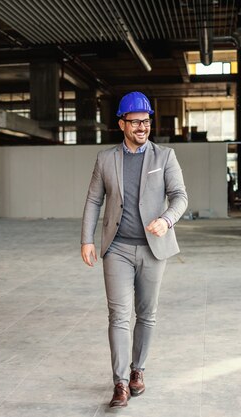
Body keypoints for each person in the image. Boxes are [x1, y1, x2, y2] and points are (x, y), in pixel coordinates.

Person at [80, 91, 188, 408]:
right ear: (122, 123)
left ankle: (138, 369)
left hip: (154, 250)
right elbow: (93, 201)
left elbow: (180, 196)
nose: (142, 126)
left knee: (147, 314)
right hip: (117, 249)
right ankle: (120, 382)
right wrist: (87, 239)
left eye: (146, 120)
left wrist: (167, 220)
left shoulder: (164, 157)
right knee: (118, 316)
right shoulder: (105, 159)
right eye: (135, 121)